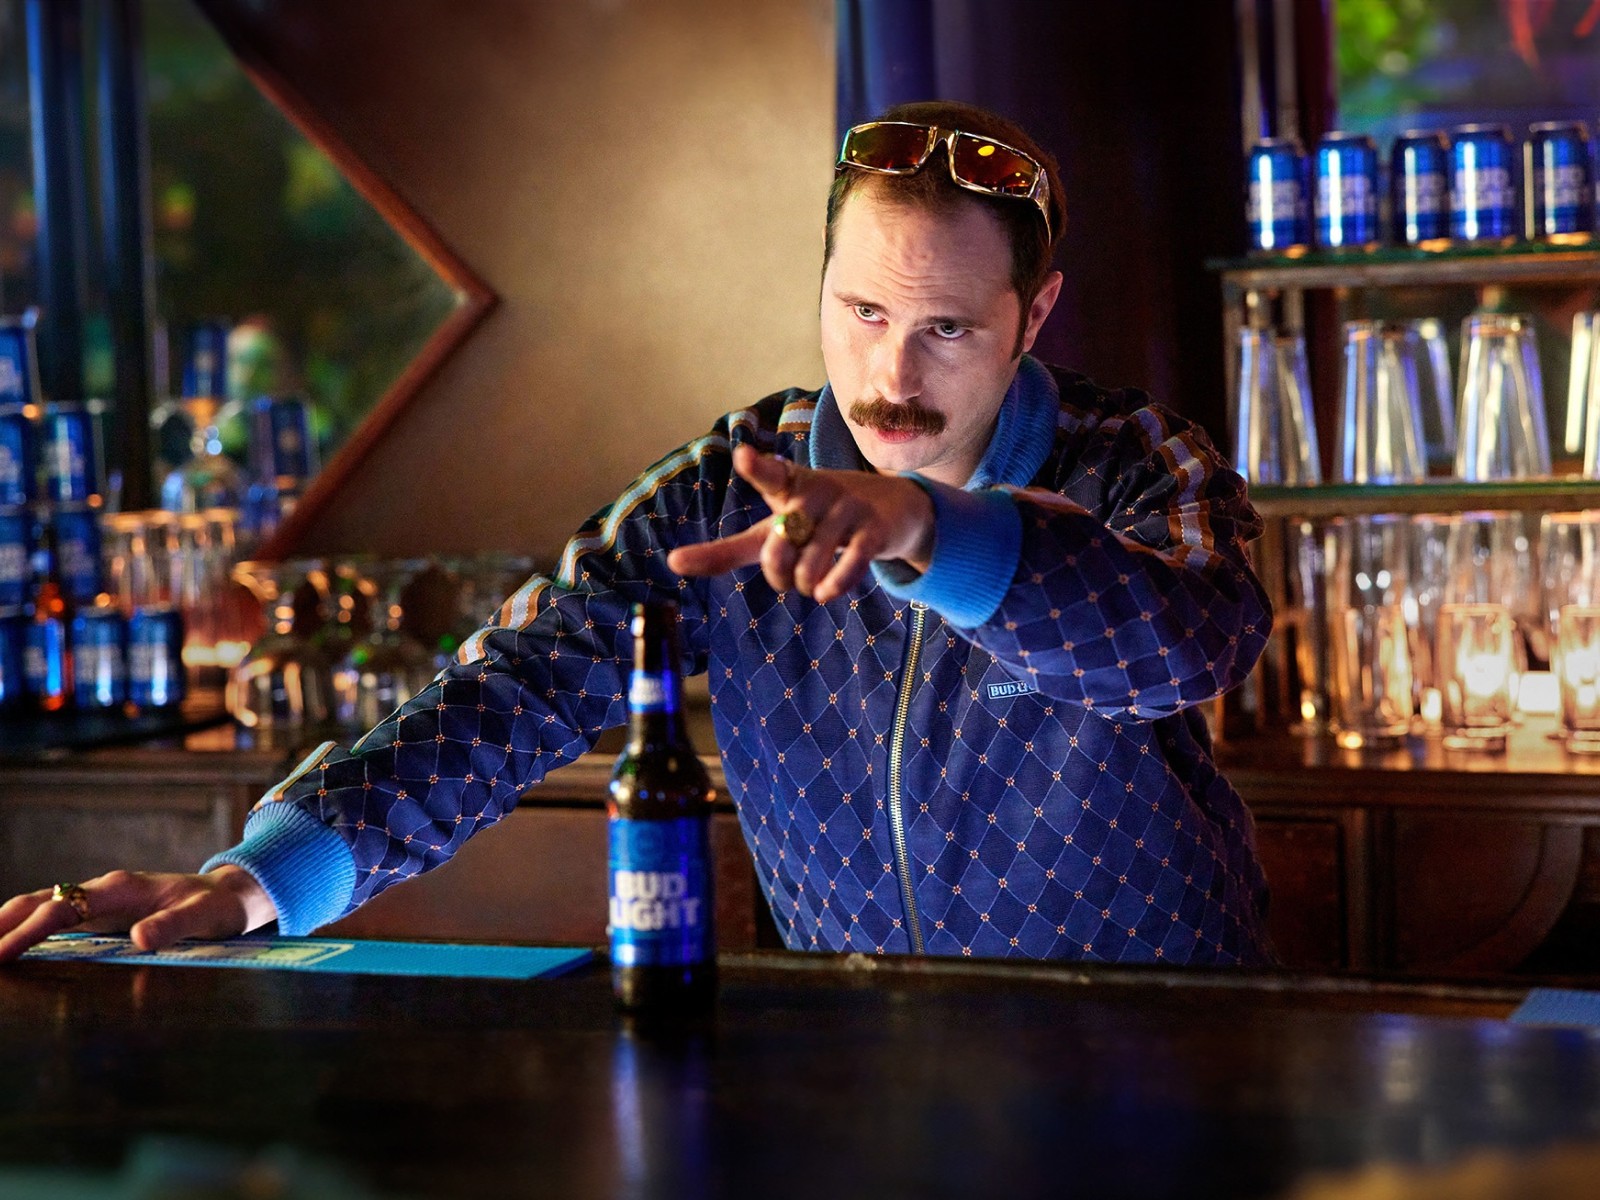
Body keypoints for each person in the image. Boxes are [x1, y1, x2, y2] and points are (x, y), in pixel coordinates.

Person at [0, 99, 1274, 966]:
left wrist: (937, 530)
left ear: (1033, 311)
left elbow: (1184, 648)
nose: (890, 375)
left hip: (1148, 1049)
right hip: (870, 1056)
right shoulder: (732, 483)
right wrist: (260, 880)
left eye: (945, 328)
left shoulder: (1138, 460)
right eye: (862, 310)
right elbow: (517, 689)